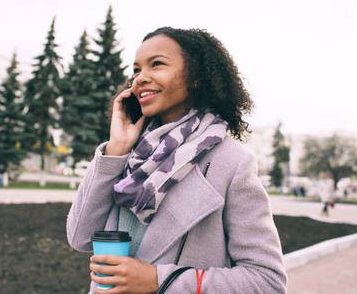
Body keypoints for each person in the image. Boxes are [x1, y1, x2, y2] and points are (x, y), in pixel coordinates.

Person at [66, 27, 287, 293]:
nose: (139, 79)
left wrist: (157, 279)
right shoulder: (130, 152)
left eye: (156, 64)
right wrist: (116, 149)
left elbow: (267, 281)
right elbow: (80, 238)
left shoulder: (231, 162)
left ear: (195, 77)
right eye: (136, 70)